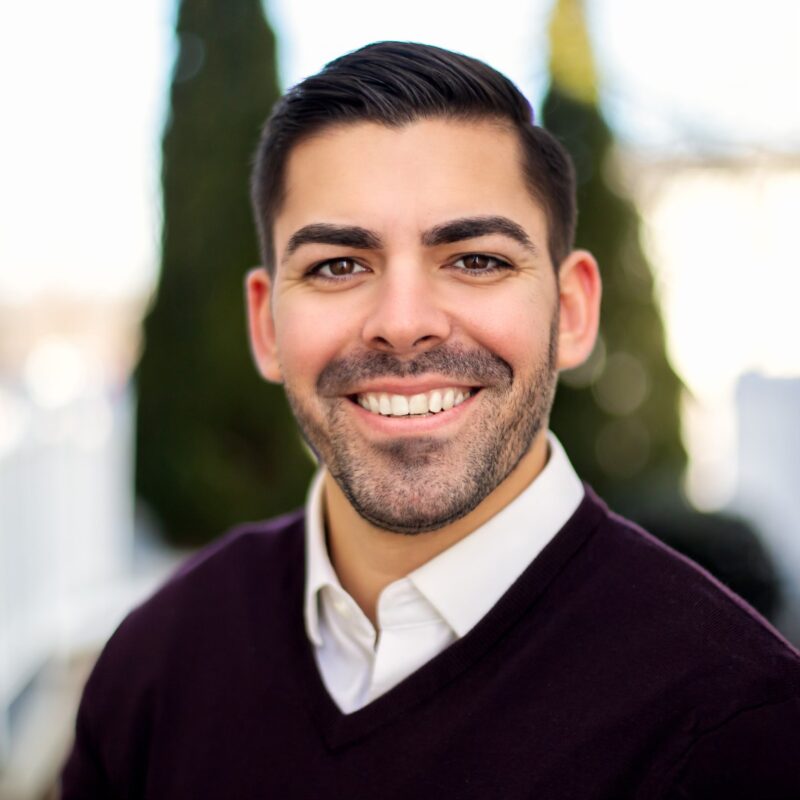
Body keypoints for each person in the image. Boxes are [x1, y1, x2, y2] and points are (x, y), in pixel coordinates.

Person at [62, 42, 800, 799]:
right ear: (265, 326)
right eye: (338, 266)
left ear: (573, 312)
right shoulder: (156, 664)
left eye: (475, 259)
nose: (403, 323)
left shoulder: (738, 725)